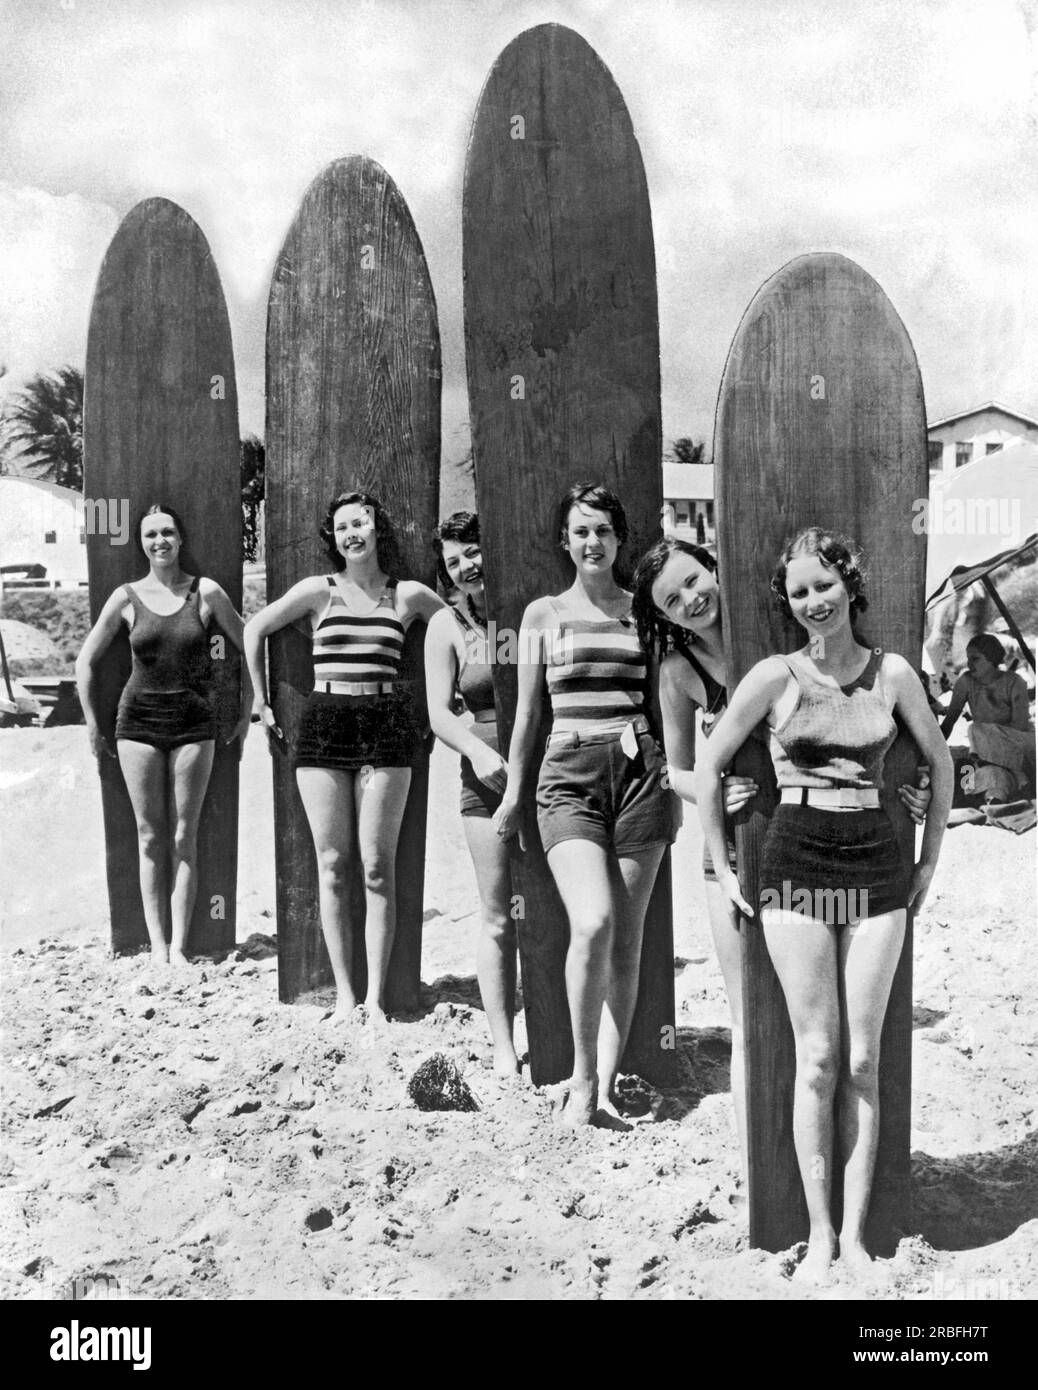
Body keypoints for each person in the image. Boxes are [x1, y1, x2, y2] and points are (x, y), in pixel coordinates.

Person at [694, 526, 952, 1284]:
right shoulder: (774, 676)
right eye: (799, 592)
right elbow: (709, 768)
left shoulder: (894, 673)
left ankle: (863, 1239)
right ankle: (819, 1236)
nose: (813, 602)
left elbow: (939, 763)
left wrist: (929, 856)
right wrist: (722, 862)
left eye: (824, 585)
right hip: (794, 859)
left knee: (864, 1060)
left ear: (849, 584)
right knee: (816, 1058)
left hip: (877, 863)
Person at [631, 536, 932, 1186]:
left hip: (834, 849)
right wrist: (715, 793)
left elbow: (886, 723)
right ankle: (757, 1169)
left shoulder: (783, 647)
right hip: (749, 851)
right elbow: (679, 773)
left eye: (694, 580)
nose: (692, 599)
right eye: (672, 599)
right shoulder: (683, 670)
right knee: (752, 1019)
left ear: (717, 568)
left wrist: (918, 795)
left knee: (842, 1049)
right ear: (664, 616)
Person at [494, 483, 678, 1127]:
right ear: (564, 542)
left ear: (620, 537)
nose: (593, 542)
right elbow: (526, 718)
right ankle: (580, 1078)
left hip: (637, 779)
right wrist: (515, 795)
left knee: (627, 943)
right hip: (567, 777)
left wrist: (672, 781)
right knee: (594, 922)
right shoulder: (542, 614)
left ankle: (604, 1084)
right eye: (581, 531)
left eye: (603, 529)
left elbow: (663, 706)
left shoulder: (644, 613)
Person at [244, 491, 442, 1024]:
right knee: (332, 866)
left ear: (378, 529)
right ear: (333, 537)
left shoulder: (408, 596)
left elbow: (455, 635)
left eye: (361, 522)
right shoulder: (317, 591)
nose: (352, 533)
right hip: (324, 725)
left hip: (386, 728)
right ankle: (345, 997)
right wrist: (260, 703)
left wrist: (444, 703)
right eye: (342, 527)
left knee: (378, 869)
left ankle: (376, 999)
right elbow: (254, 629)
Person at [76, 503, 251, 965]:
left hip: (196, 723)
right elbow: (86, 662)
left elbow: (247, 646)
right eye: (151, 534)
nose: (160, 542)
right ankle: (156, 946)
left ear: (180, 539)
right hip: (136, 725)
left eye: (168, 533)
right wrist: (94, 724)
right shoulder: (125, 596)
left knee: (183, 837)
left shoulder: (206, 593)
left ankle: (179, 948)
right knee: (150, 837)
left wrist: (249, 707)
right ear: (141, 542)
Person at [425, 511, 519, 1077]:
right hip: (483, 778)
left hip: (546, 771)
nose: (466, 566)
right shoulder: (447, 625)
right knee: (498, 914)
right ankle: (504, 1047)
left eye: (473, 551)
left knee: (554, 912)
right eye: (454, 561)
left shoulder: (527, 610)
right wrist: (479, 753)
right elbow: (438, 712)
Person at [939, 633, 1034, 796]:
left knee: (976, 730)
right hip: (987, 755)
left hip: (1018, 746)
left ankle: (1019, 776)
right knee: (985, 775)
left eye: (975, 659)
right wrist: (932, 748)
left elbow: (1020, 727)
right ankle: (986, 795)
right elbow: (949, 722)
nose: (969, 664)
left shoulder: (1015, 681)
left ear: (991, 658)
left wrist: (991, 740)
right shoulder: (966, 682)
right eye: (968, 659)